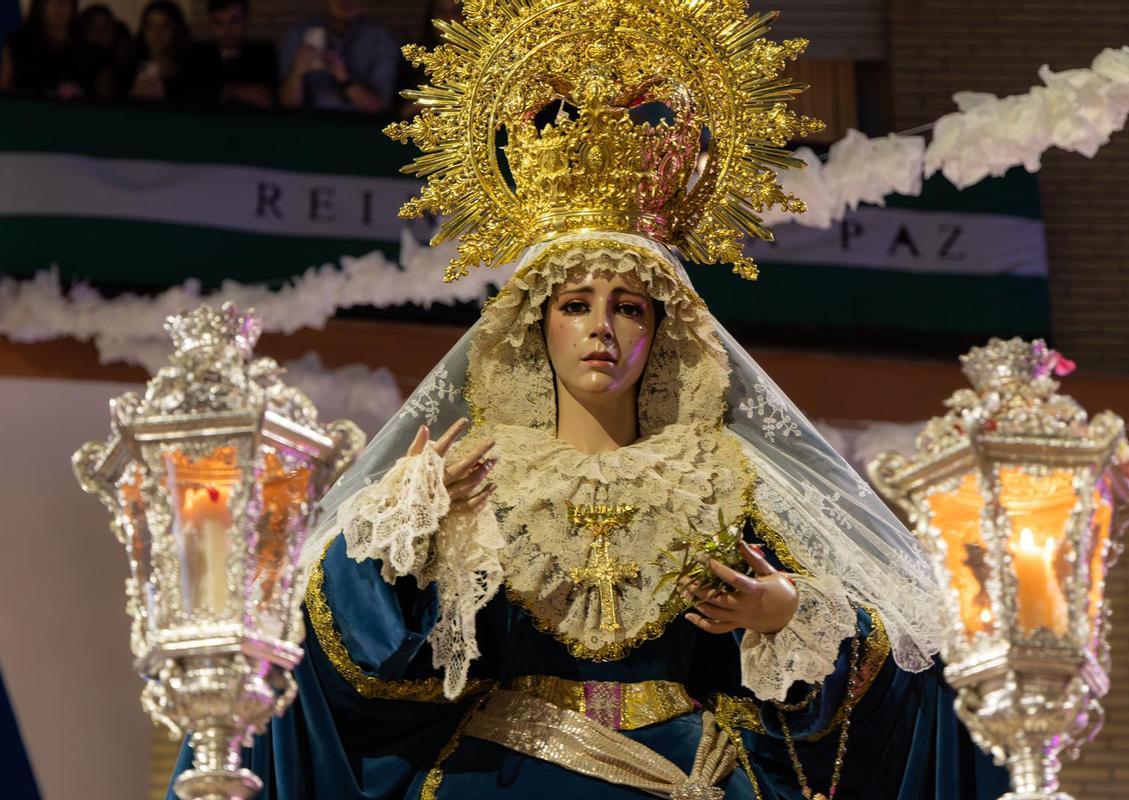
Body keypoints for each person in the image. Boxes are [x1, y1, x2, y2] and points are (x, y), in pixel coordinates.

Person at [168, 1, 1010, 798]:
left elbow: (904, 653)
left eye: (629, 307)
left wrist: (789, 615)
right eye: (576, 305)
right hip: (501, 779)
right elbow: (337, 656)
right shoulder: (472, 476)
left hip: (690, 775)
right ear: (538, 328)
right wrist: (404, 534)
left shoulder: (725, 477)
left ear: (665, 331)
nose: (601, 328)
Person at [278, 0, 396, 114]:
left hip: (358, 123)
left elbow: (377, 107)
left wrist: (344, 78)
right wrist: (296, 73)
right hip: (308, 122)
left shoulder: (380, 38)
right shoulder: (298, 34)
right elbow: (288, 106)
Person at [0, 0, 111, 99]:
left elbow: (105, 100)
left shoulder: (90, 52)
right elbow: (5, 88)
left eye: (65, 1)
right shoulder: (18, 45)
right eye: (51, 1)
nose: (59, 5)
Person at [190, 0, 275, 108]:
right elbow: (188, 92)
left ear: (246, 21)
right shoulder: (198, 54)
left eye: (234, 21)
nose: (227, 29)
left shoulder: (263, 54)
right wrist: (230, 92)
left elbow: (267, 95)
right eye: (218, 22)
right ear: (211, 25)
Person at [126, 0, 197, 103]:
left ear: (176, 30)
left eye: (165, 26)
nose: (157, 32)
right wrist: (133, 96)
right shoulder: (131, 68)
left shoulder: (192, 70)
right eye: (150, 26)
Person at [73, 4, 133, 95]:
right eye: (93, 28)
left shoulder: (125, 65)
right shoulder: (72, 64)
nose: (99, 34)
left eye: (105, 29)